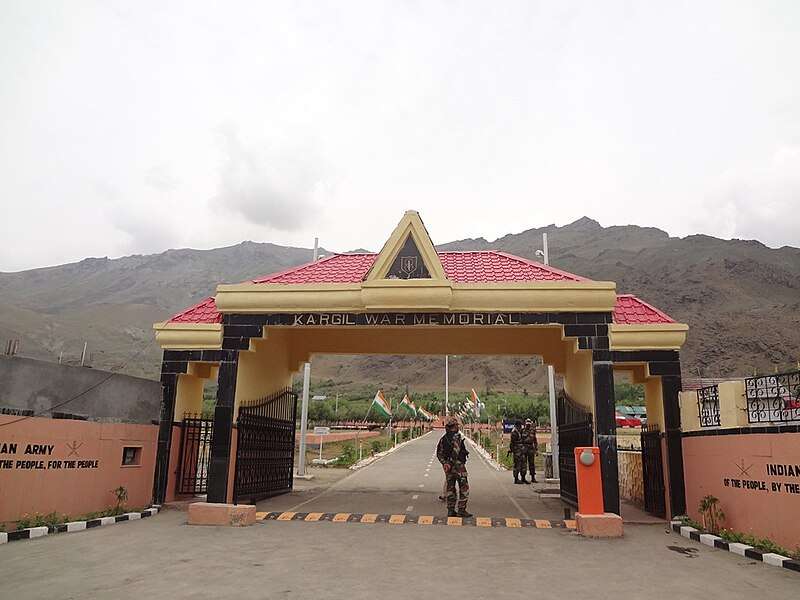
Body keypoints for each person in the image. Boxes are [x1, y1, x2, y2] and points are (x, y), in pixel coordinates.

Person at [436, 416, 472, 517]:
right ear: (455, 426)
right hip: (458, 467)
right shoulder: (457, 437)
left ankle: (451, 510)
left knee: (450, 489)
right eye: (457, 425)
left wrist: (445, 463)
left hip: (449, 468)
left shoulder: (443, 439)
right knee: (464, 488)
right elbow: (456, 452)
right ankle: (461, 509)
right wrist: (450, 463)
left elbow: (439, 453)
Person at [521, 418, 539, 483]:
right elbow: (520, 440)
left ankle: (533, 477)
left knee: (532, 463)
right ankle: (523, 478)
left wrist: (536, 449)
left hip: (531, 448)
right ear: (525, 424)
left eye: (529, 424)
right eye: (527, 424)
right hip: (524, 448)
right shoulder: (522, 430)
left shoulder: (533, 431)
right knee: (524, 463)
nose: (528, 425)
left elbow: (535, 440)